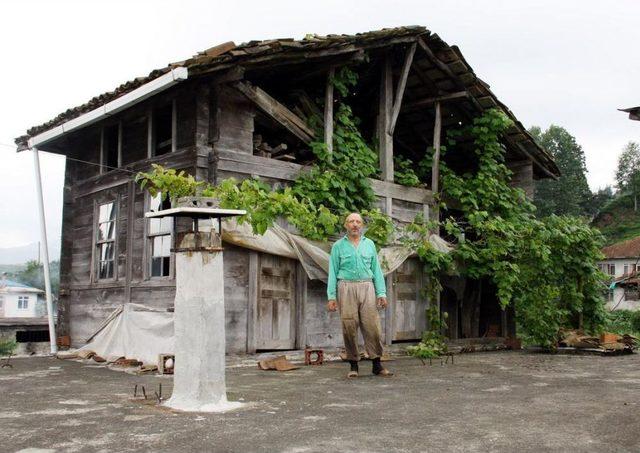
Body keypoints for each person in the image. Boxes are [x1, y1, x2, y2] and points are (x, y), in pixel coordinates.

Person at [327, 212, 393, 378]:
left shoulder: (369, 244)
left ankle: (376, 364)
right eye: (351, 221)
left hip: (367, 286)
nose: (354, 224)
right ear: (345, 225)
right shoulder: (338, 246)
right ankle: (353, 365)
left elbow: (377, 270)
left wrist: (381, 293)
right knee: (349, 326)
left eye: (358, 221)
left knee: (373, 326)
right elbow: (332, 272)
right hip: (346, 287)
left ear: (362, 225)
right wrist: (331, 296)